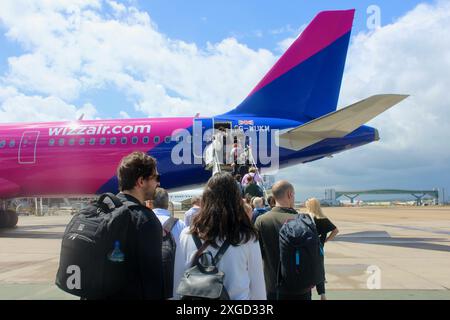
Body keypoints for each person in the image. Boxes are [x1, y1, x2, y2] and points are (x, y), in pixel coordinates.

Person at [178, 172, 266, 299]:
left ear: (206, 198)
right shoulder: (247, 238)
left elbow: (178, 281)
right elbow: (258, 288)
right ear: (236, 199)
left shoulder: (187, 234)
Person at [114, 151, 164, 299]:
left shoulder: (105, 209)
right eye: (156, 178)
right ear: (141, 182)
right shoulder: (145, 219)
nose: (158, 183)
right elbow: (153, 279)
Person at [255, 180, 313, 300]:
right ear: (290, 194)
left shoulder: (262, 221)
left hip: (274, 288)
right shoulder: (305, 219)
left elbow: (256, 256)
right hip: (302, 288)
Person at [152, 187, 186, 299]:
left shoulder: (144, 220)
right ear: (167, 204)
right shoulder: (180, 225)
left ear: (151, 203)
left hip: (150, 285)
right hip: (174, 286)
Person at [305, 198, 339, 301]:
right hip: (319, 249)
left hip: (307, 249)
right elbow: (336, 230)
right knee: (319, 272)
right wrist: (326, 240)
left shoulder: (306, 218)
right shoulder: (323, 218)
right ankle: (322, 295)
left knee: (307, 271)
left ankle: (308, 294)